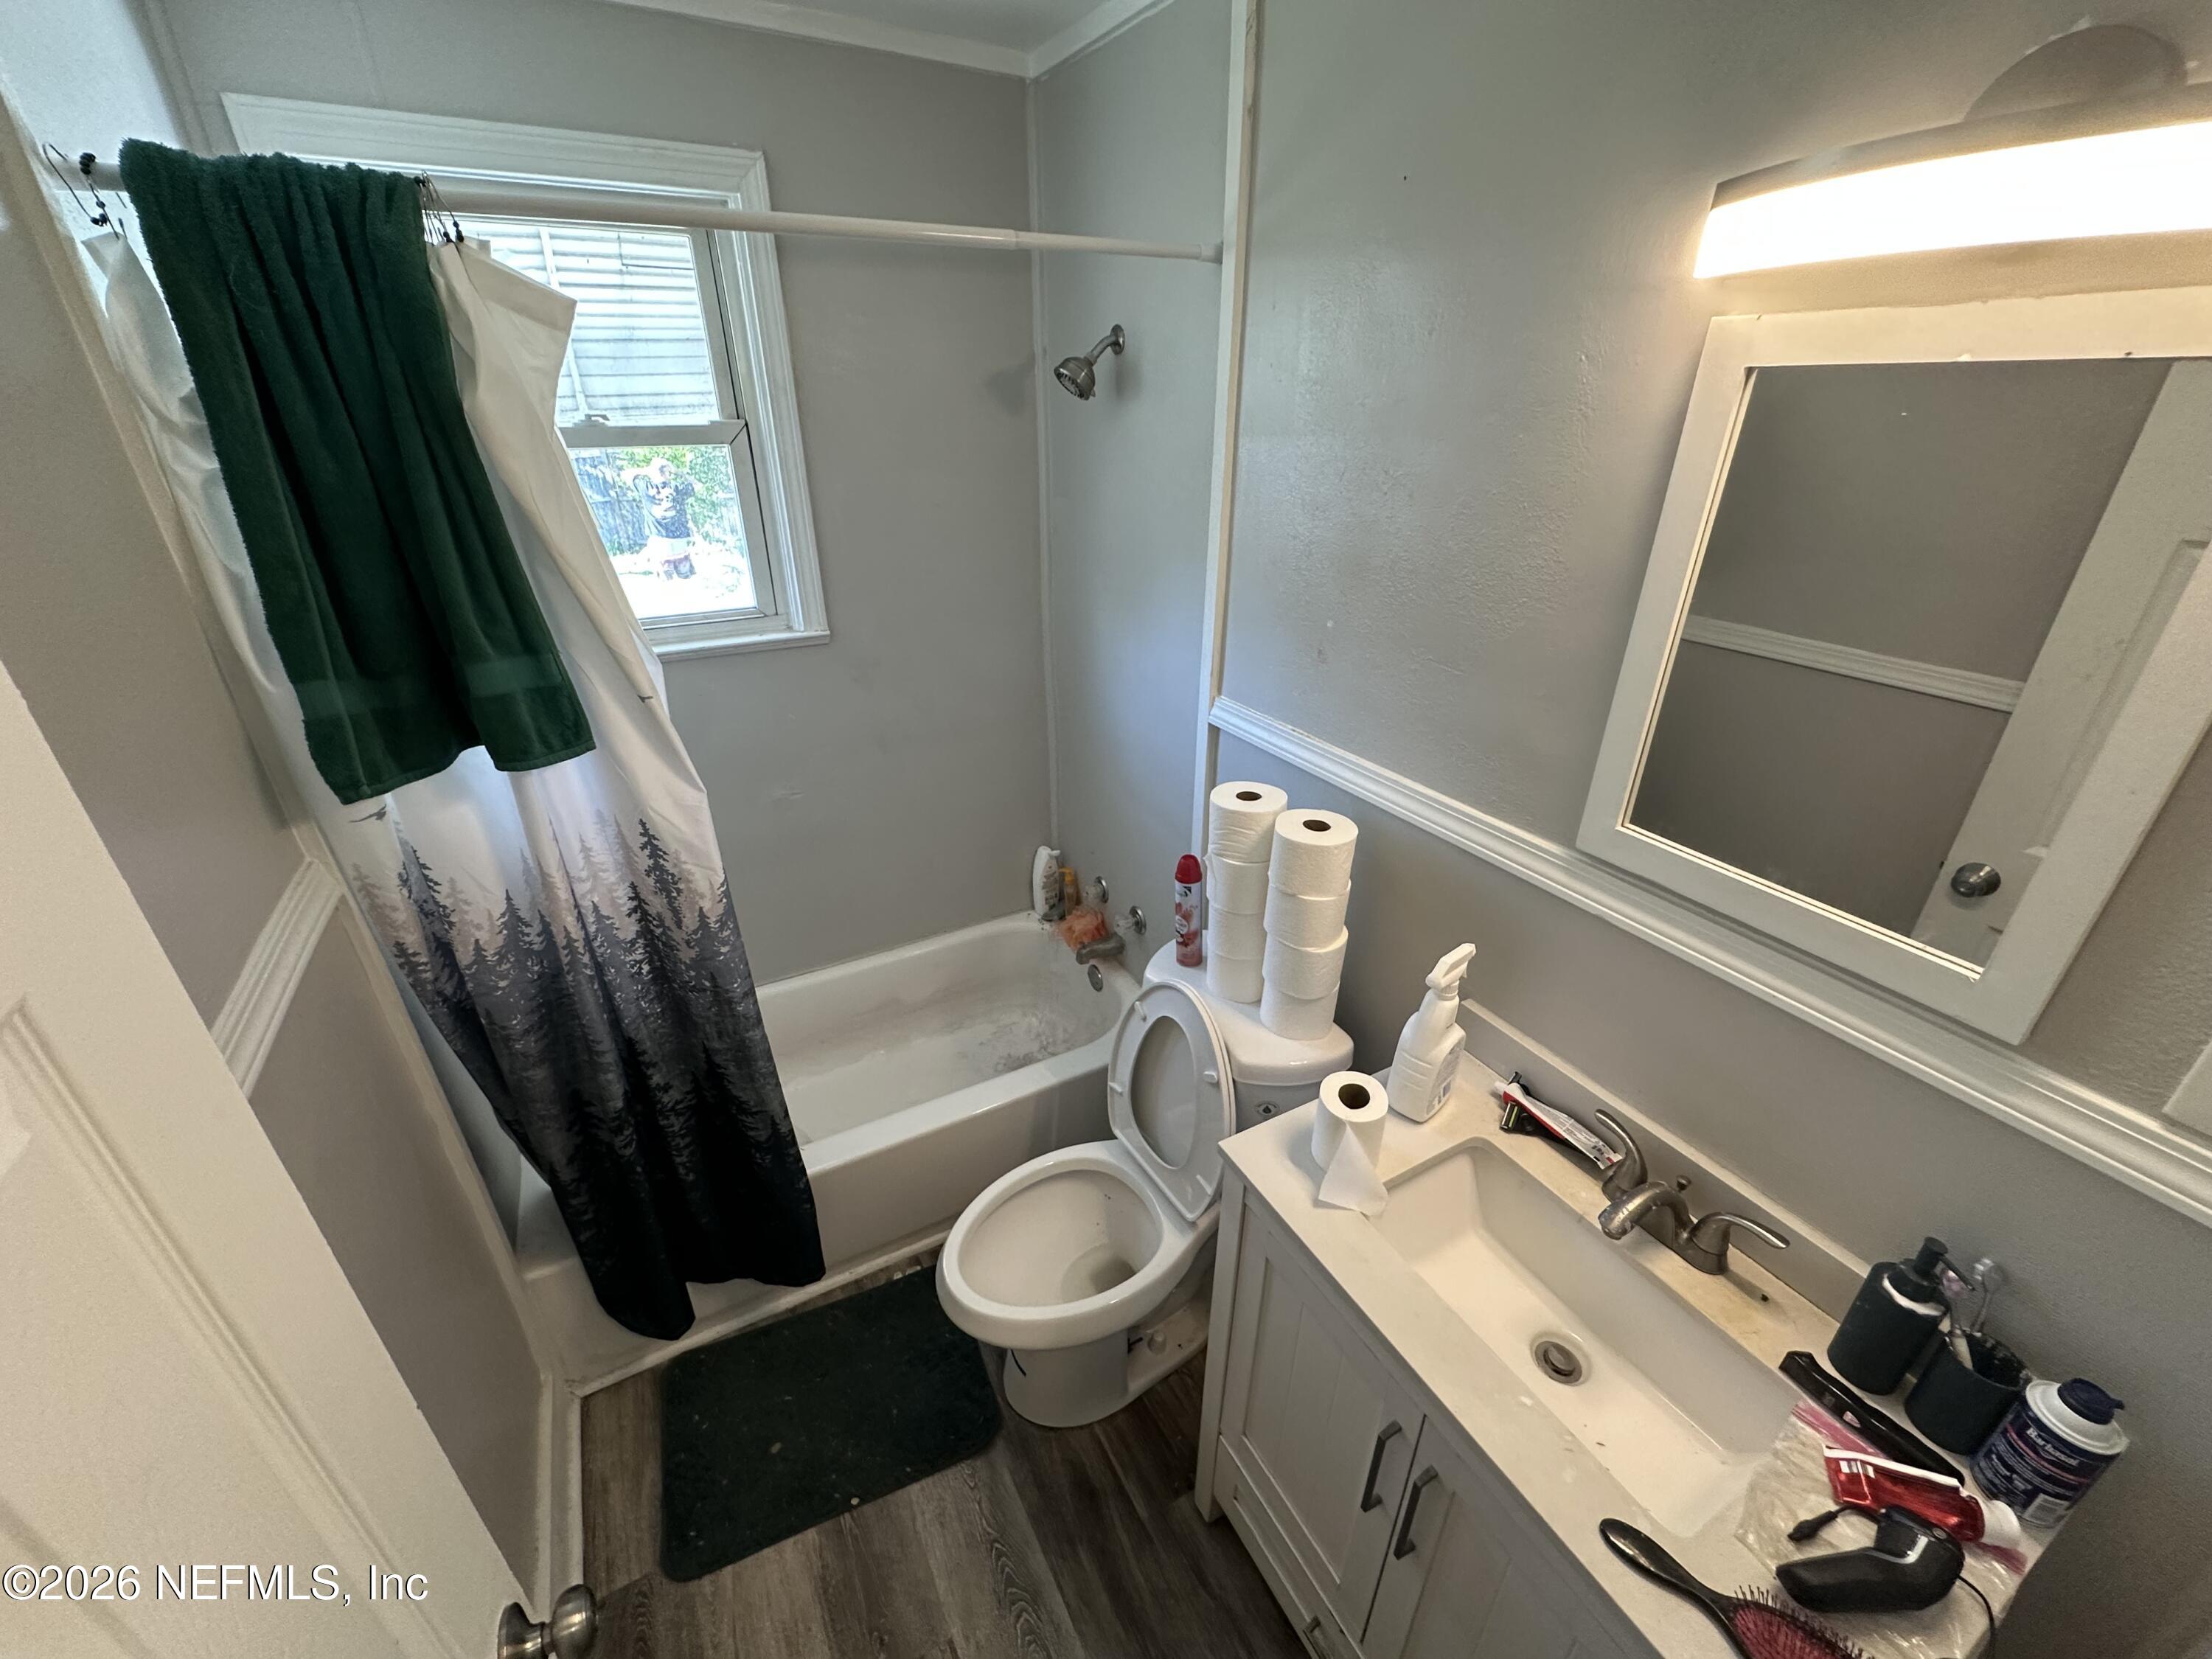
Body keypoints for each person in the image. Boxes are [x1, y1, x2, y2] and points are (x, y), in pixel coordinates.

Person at [625, 457, 698, 580]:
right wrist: (677, 471)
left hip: (659, 542)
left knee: (665, 582)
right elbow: (696, 484)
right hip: (679, 540)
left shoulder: (645, 487)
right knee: (686, 580)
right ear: (667, 473)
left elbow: (626, 475)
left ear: (653, 472)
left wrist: (647, 471)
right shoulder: (676, 488)